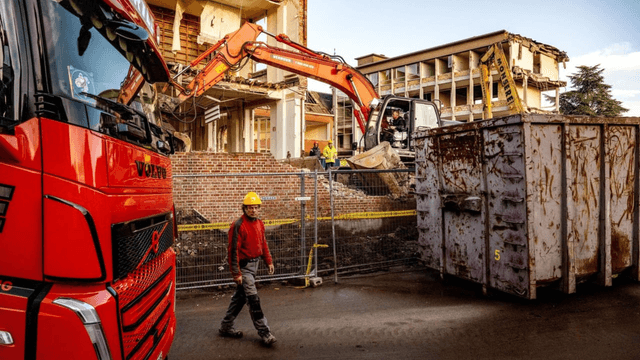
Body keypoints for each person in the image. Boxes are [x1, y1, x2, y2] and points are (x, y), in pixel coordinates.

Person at [219, 192, 277, 346]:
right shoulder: (238, 225)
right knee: (253, 299)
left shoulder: (259, 223)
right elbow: (233, 251)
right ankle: (265, 332)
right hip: (244, 269)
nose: (253, 210)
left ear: (259, 208)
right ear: (244, 208)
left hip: (255, 265)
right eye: (250, 207)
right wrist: (236, 273)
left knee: (240, 298)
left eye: (256, 207)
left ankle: (226, 326)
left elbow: (263, 244)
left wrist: (268, 261)